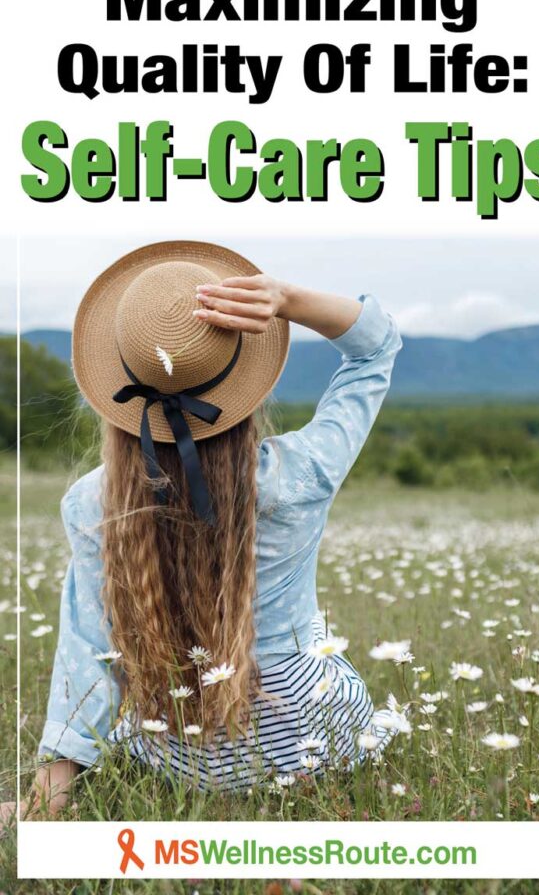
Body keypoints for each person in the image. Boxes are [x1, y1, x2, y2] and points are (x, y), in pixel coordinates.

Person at [15, 240, 403, 817]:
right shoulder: (303, 474)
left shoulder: (93, 503)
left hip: (183, 754)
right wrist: (286, 298)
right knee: (325, 659)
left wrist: (47, 797)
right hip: (311, 738)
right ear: (247, 384)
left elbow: (88, 656)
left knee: (129, 723)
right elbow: (376, 349)